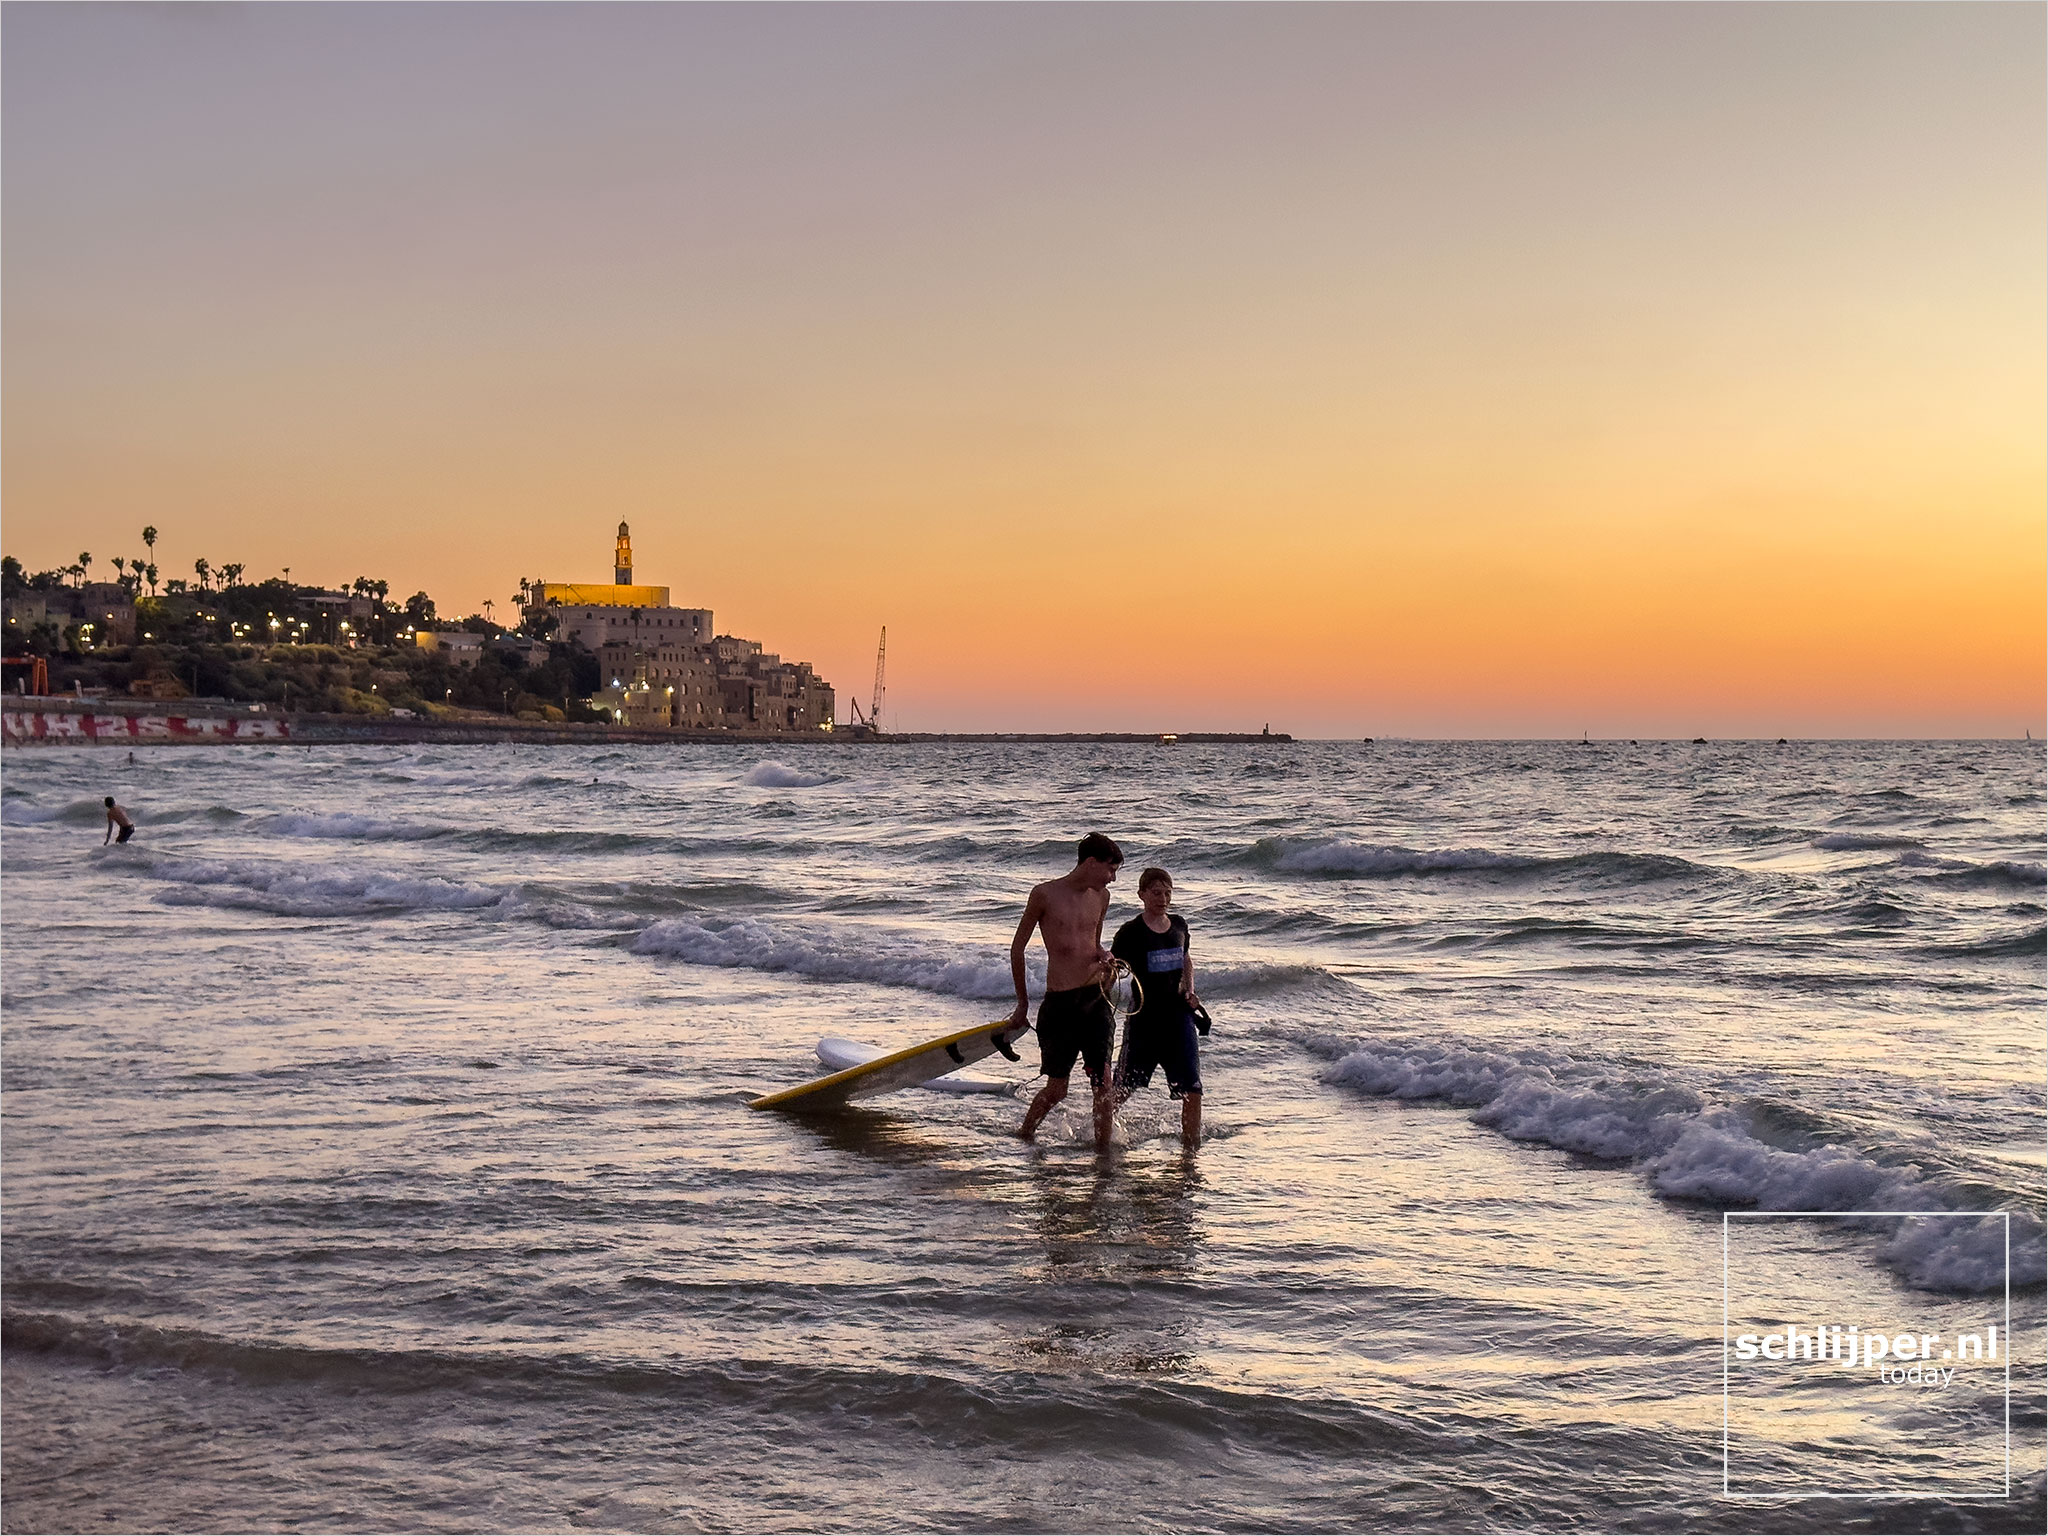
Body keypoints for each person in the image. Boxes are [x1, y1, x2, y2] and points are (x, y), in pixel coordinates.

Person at [1012, 832, 1124, 1149]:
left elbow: (1094, 944)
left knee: (1103, 1082)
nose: (1113, 879)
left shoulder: (1101, 897)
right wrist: (1022, 1004)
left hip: (1096, 998)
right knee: (1057, 1088)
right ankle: (1024, 1137)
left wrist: (1106, 957)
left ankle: (1104, 1155)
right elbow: (1017, 948)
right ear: (1090, 862)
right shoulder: (1044, 894)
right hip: (1060, 1002)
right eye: (1110, 869)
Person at [1110, 867, 1205, 1148]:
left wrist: (1190, 990)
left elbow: (1186, 959)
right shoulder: (1130, 932)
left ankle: (1191, 1149)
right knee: (1123, 1087)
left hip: (1179, 1018)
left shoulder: (1179, 925)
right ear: (1141, 895)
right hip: (1144, 1020)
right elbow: (1112, 970)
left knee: (1192, 1087)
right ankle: (1100, 1136)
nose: (1162, 898)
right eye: (1156, 893)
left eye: (1167, 893)